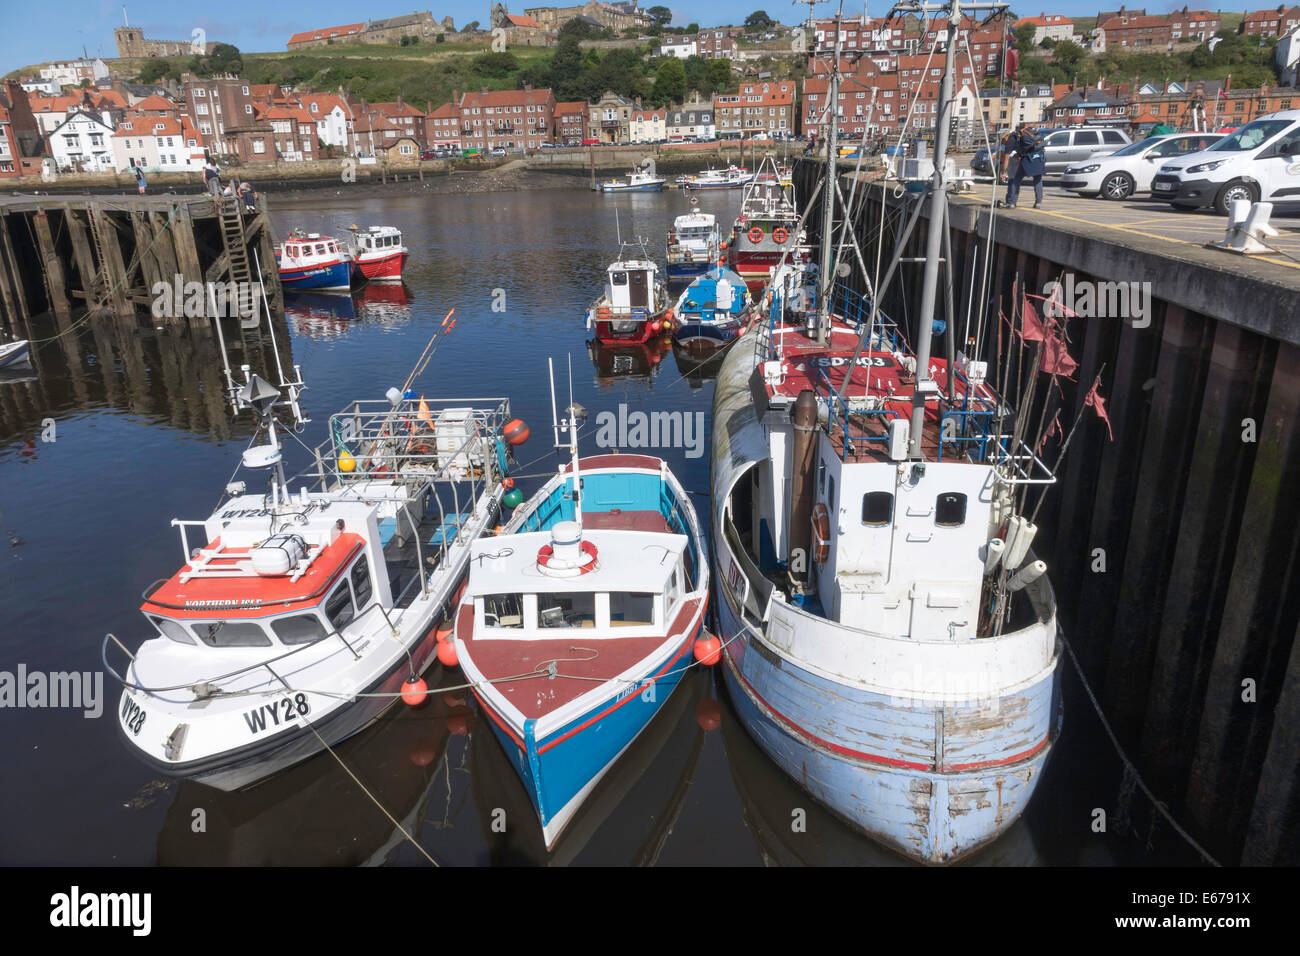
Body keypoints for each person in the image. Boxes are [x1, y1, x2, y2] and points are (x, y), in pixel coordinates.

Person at [1003, 122, 1045, 209]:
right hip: (1039, 157)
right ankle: (1038, 203)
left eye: (1002, 141)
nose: (1003, 143)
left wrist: (1004, 172)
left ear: (1005, 137)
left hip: (1027, 159)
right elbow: (1026, 147)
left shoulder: (1012, 138)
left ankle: (1011, 202)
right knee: (1038, 179)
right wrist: (1018, 154)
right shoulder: (1028, 134)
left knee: (1016, 179)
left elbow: (1006, 158)